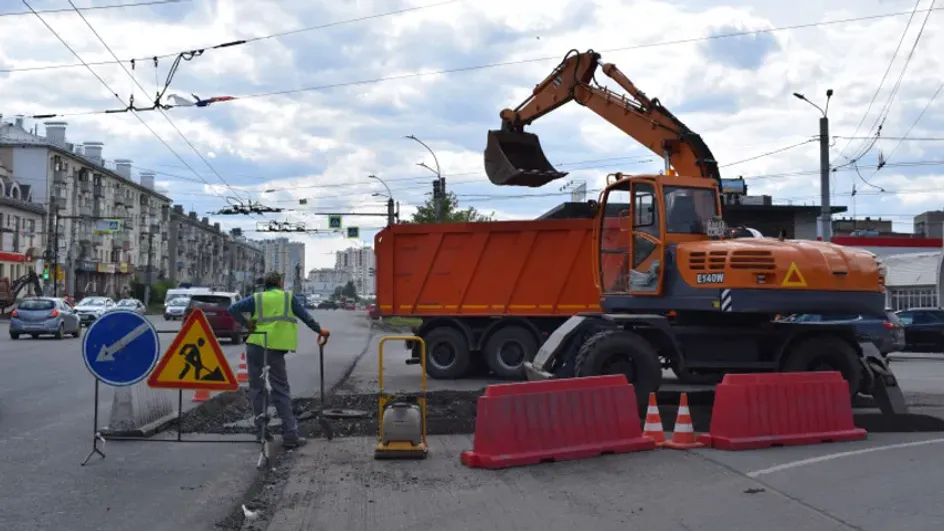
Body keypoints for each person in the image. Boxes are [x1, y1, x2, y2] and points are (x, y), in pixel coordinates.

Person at [227, 271, 329, 449]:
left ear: (265, 284)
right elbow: (306, 317)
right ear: (280, 283)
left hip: (255, 346)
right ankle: (290, 435)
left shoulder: (257, 298)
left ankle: (261, 433)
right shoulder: (288, 297)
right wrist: (320, 331)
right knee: (280, 389)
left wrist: (246, 324)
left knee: (257, 389)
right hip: (274, 349)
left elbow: (232, 309)